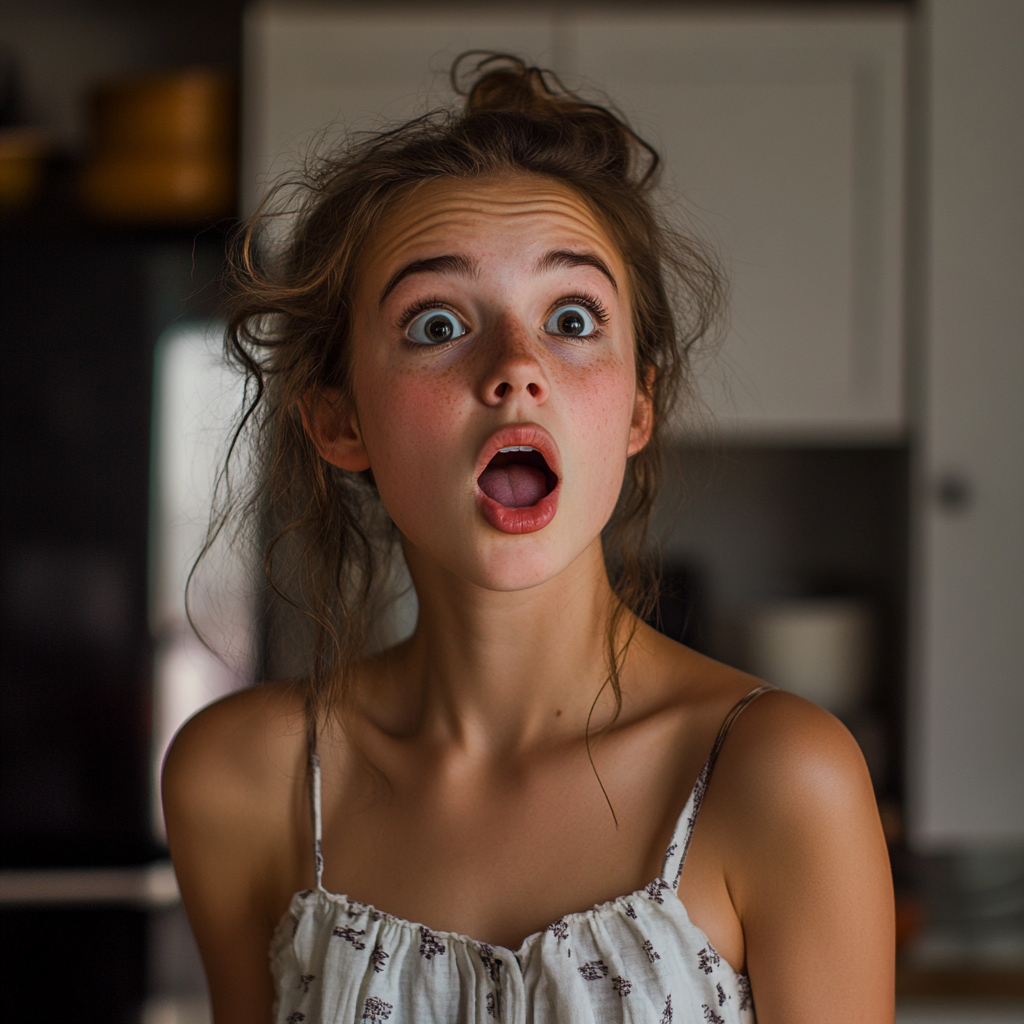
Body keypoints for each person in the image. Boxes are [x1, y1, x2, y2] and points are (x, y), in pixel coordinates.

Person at [163, 55, 894, 1024]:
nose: (516, 368)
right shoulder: (243, 781)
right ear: (339, 420)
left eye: (572, 318)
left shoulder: (779, 778)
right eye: (435, 323)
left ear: (640, 405)